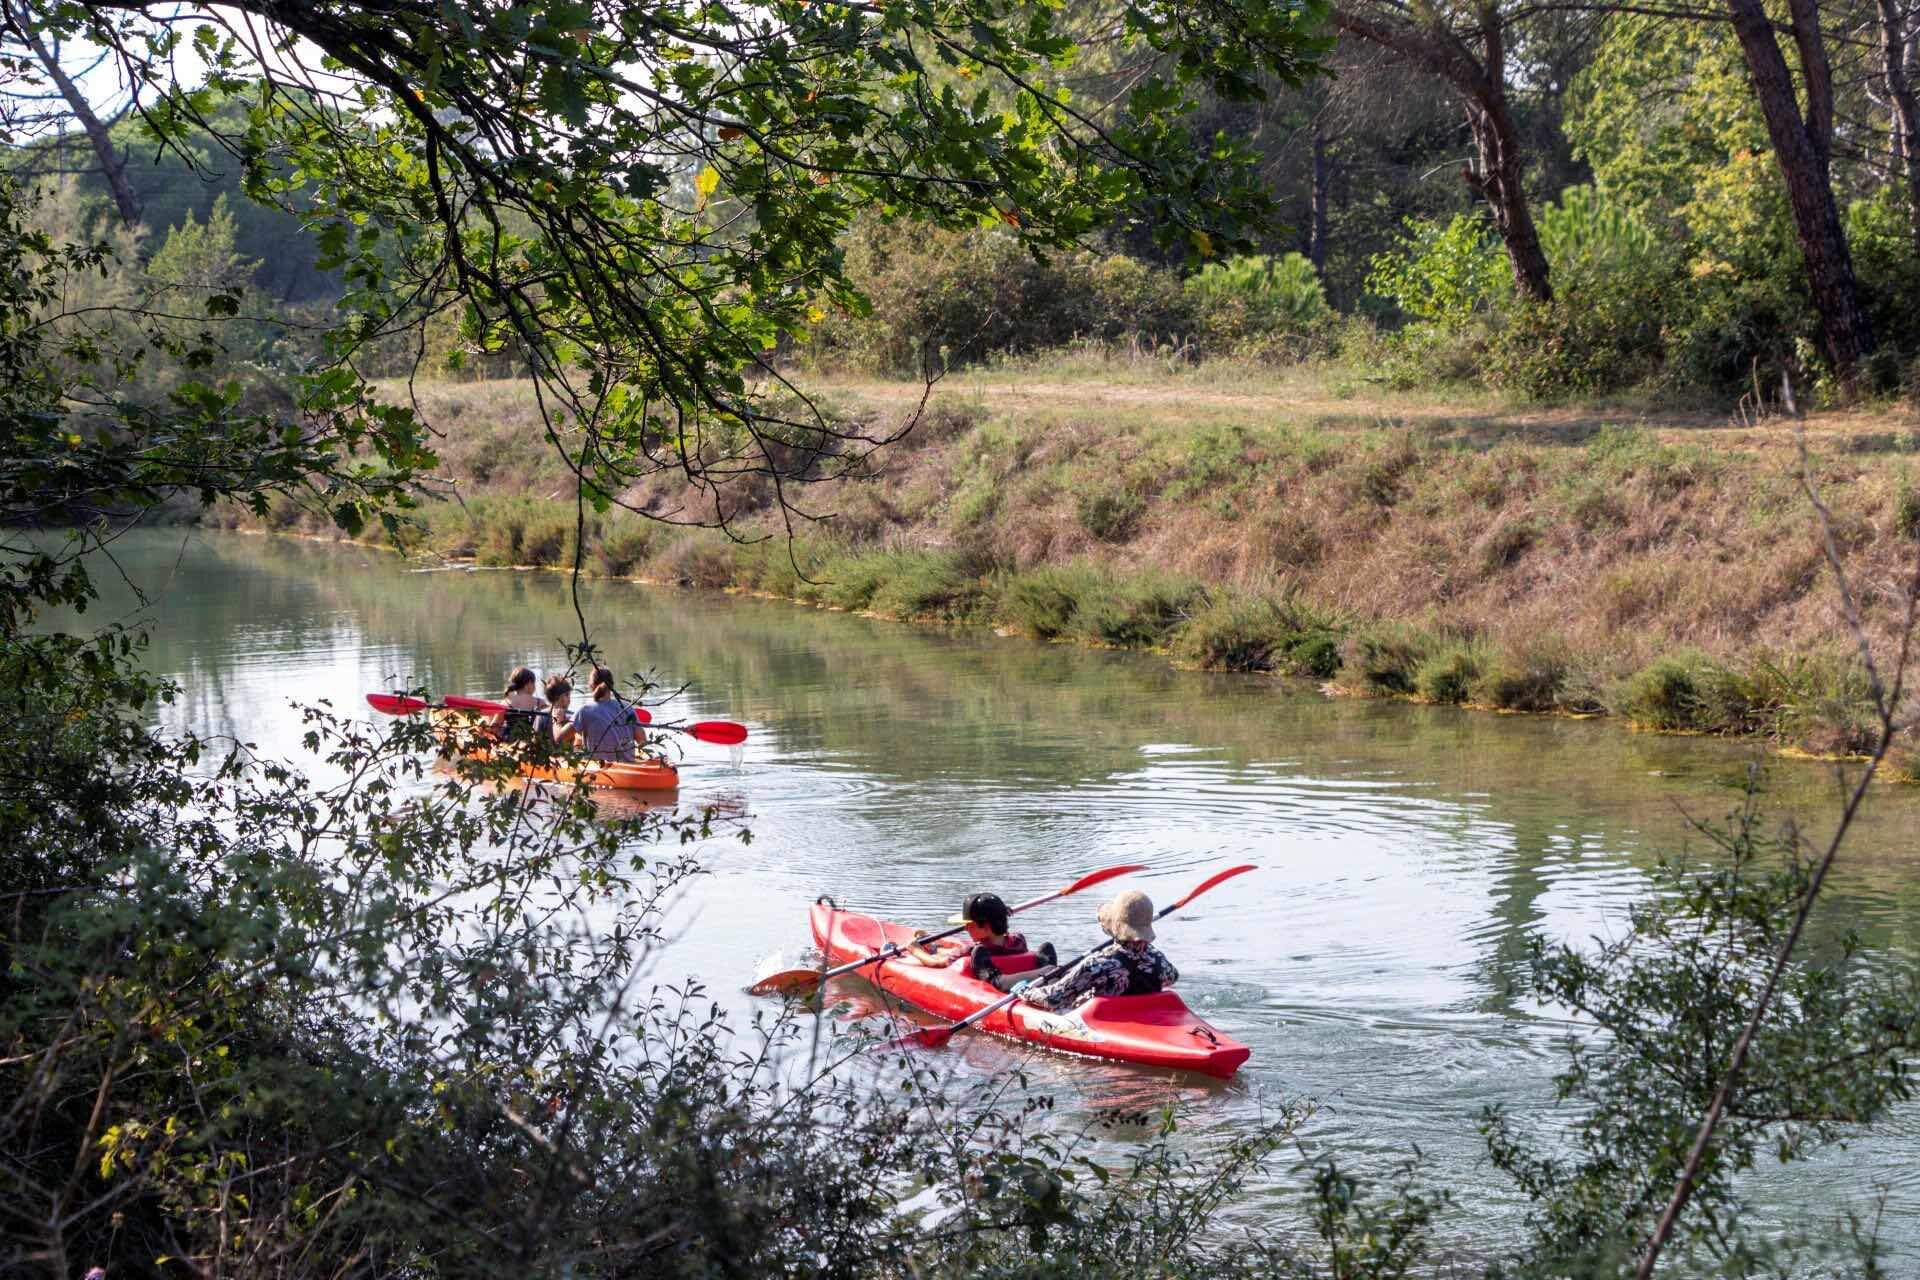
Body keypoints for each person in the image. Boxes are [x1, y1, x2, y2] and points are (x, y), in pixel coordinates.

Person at [1017, 889, 1177, 1012]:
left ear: (1115, 925)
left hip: (1104, 1022)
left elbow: (1053, 999)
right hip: (1146, 1016)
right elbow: (1173, 977)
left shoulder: (1096, 964)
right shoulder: (1157, 958)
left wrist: (1026, 991)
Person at [901, 892, 1058, 993]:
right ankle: (935, 947)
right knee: (1046, 952)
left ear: (986, 928)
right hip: (1012, 962)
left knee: (958, 954)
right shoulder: (1018, 940)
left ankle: (933, 947)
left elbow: (937, 963)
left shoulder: (976, 952)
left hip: (995, 978)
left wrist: (915, 950)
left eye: (969, 924)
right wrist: (935, 947)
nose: (965, 928)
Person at [558, 666, 642, 762]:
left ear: (591, 686)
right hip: (628, 767)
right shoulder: (627, 707)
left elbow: (560, 739)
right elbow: (642, 740)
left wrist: (559, 721)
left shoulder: (585, 710)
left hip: (600, 771)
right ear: (612, 686)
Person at [493, 666, 546, 741]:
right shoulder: (540, 703)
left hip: (510, 740)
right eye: (534, 683)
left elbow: (494, 728)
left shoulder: (505, 703)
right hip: (532, 740)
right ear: (529, 684)